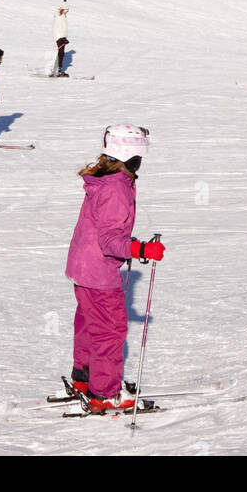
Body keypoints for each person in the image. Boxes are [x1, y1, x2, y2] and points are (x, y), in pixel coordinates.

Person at [64, 124, 164, 413]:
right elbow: (109, 241)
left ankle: (84, 378)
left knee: (89, 324)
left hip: (82, 268)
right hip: (98, 272)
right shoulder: (117, 189)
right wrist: (141, 249)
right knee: (110, 330)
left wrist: (131, 245)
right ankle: (104, 393)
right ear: (131, 156)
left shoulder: (105, 180)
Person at [53, 0, 70, 77]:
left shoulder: (61, 15)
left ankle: (58, 69)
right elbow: (59, 27)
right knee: (60, 53)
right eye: (67, 9)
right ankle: (57, 70)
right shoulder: (60, 16)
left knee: (61, 53)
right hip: (60, 37)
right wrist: (62, 38)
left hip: (60, 36)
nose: (67, 11)